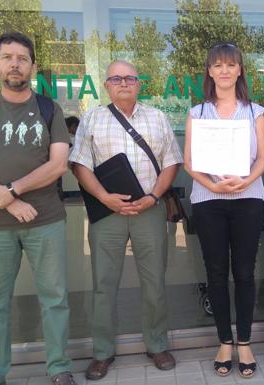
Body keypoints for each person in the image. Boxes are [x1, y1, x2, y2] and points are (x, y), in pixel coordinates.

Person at [0, 32, 76, 385]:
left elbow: (58, 164)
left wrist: (12, 189)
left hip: (46, 220)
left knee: (54, 299)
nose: (14, 63)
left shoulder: (49, 109)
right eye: (7, 57)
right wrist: (10, 202)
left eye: (22, 58)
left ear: (33, 66)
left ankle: (58, 369)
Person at [69, 60, 183, 381]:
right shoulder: (92, 117)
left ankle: (156, 344)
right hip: (108, 213)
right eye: (116, 78)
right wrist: (104, 197)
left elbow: (172, 163)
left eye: (130, 78)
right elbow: (79, 165)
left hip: (150, 209)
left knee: (154, 282)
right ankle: (102, 352)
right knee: (104, 284)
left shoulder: (157, 117)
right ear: (106, 85)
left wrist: (153, 197)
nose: (123, 83)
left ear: (139, 84)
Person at [183, 43, 264, 378]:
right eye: (217, 65)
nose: (224, 71)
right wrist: (212, 184)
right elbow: (189, 162)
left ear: (240, 70)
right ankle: (224, 341)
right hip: (209, 200)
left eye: (230, 65)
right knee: (216, 273)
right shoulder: (197, 113)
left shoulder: (255, 112)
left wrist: (246, 180)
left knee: (245, 272)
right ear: (209, 71)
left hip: (248, 198)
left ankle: (244, 342)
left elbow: (263, 159)